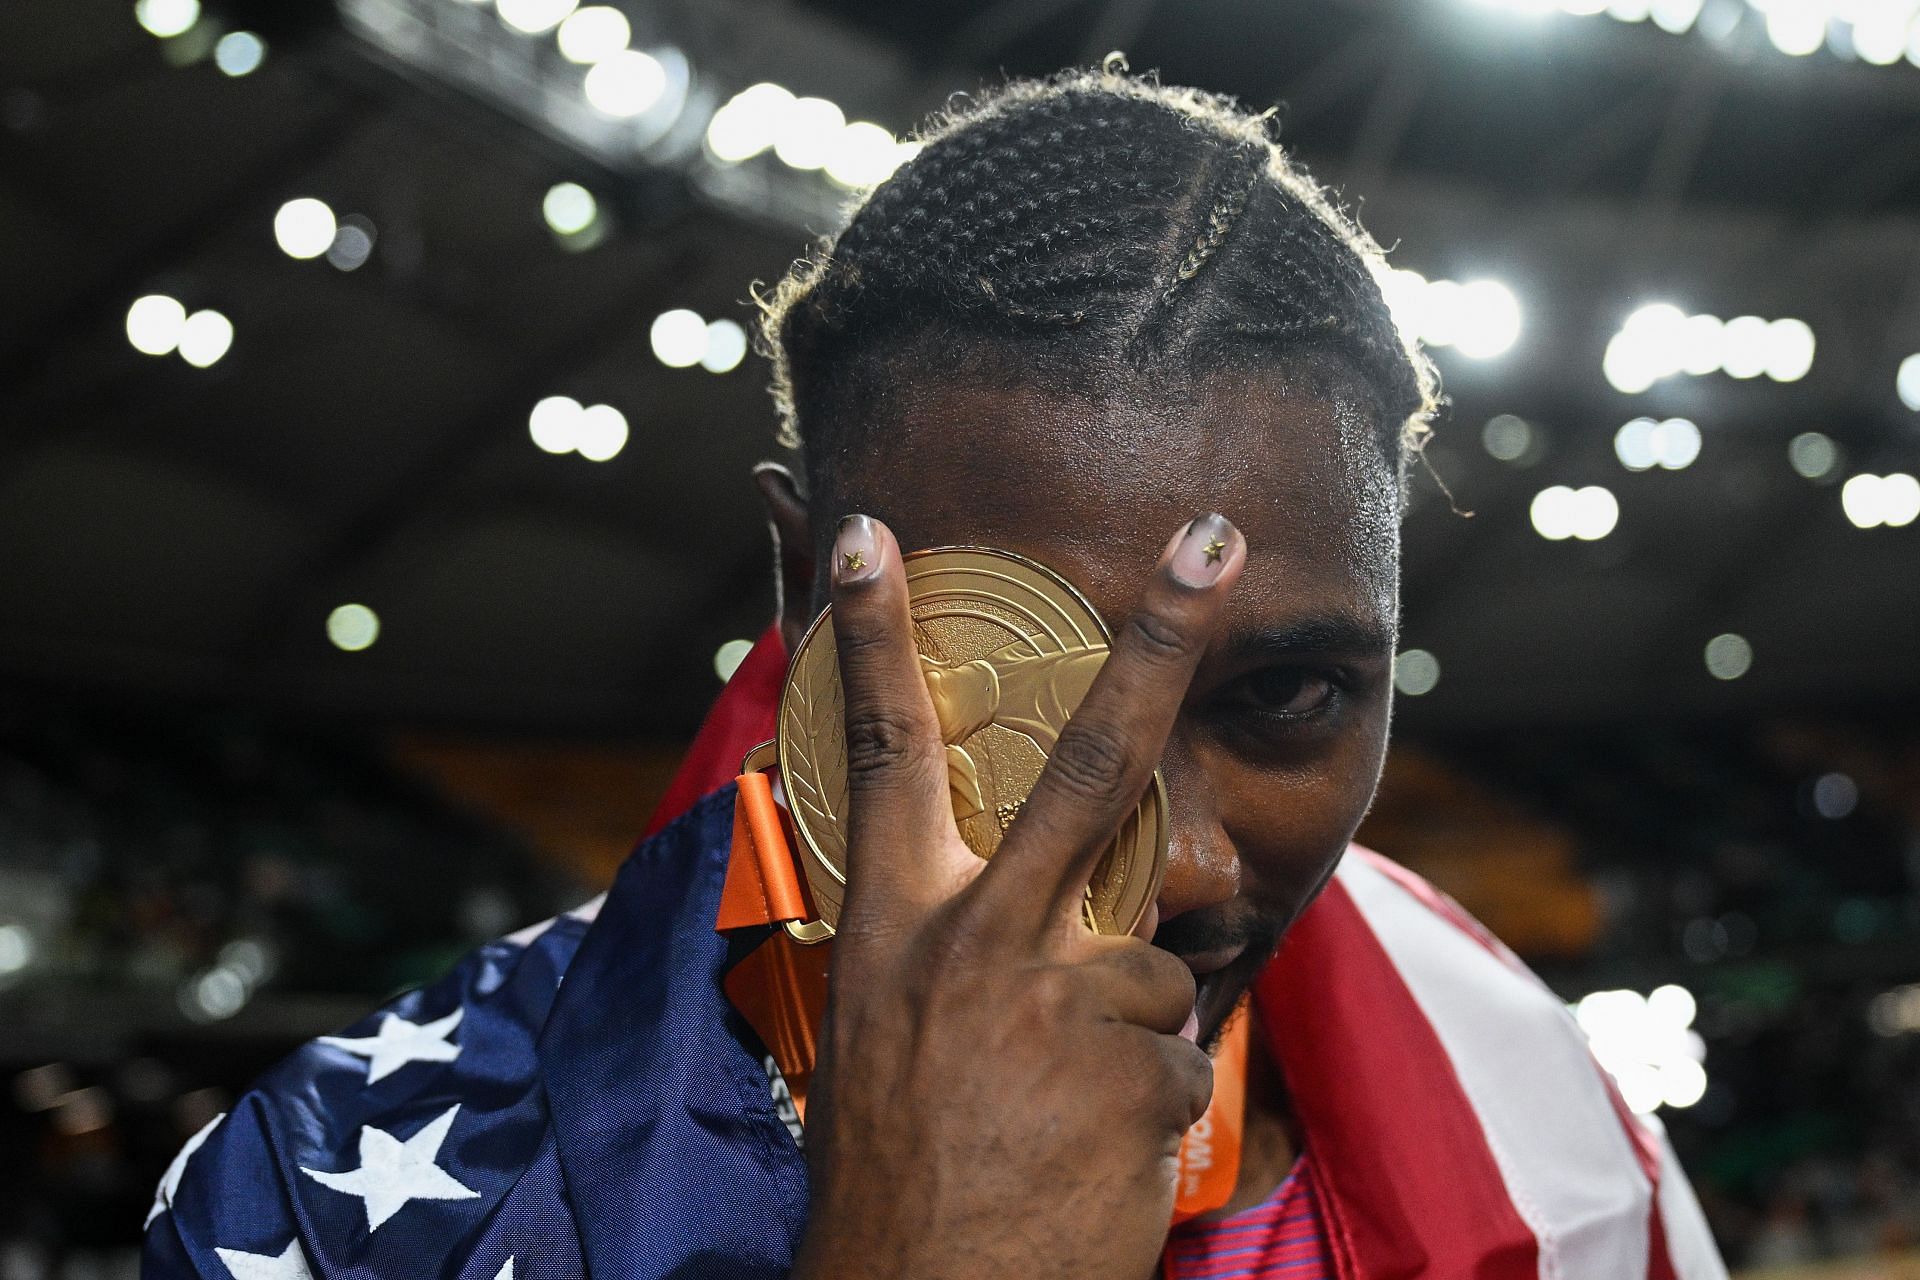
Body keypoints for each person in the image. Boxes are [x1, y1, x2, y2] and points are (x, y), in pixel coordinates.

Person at [143, 66, 1728, 1279]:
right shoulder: (336, 1196)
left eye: (1288, 696)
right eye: (1035, 690)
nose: (1172, 862)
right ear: (802, 581)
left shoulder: (1568, 1159)